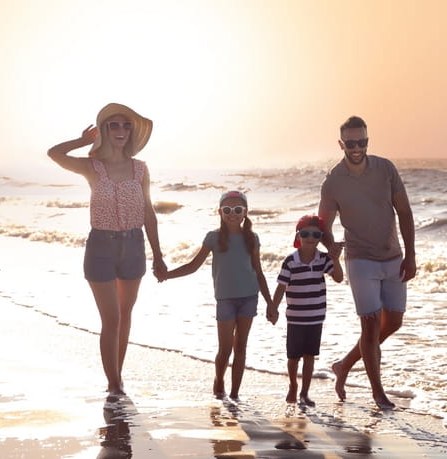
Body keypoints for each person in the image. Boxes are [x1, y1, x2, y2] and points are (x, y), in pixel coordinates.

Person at [47, 103, 166, 396]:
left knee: (125, 315)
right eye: (114, 125)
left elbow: (148, 212)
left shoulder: (140, 169)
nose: (121, 131)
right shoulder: (91, 166)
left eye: (126, 126)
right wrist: (82, 141)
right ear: (104, 130)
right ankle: (114, 386)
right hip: (101, 246)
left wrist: (159, 256)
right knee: (111, 318)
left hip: (134, 245)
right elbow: (54, 154)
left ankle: (117, 377)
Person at [318, 115, 417, 409]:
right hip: (360, 259)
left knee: (393, 322)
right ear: (341, 144)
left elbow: (405, 213)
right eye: (350, 143)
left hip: (393, 256)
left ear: (367, 141)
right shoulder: (333, 182)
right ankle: (378, 393)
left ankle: (345, 364)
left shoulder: (385, 168)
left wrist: (410, 255)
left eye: (361, 141)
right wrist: (330, 244)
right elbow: (323, 223)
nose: (356, 147)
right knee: (371, 326)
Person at [157, 190, 273, 400]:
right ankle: (219, 380)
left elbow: (259, 272)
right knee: (225, 348)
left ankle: (236, 394)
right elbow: (193, 266)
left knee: (241, 347)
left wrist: (270, 303)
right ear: (220, 212)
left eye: (238, 209)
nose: (233, 214)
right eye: (227, 210)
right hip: (225, 299)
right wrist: (167, 275)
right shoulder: (213, 237)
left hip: (249, 297)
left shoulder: (252, 238)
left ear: (245, 212)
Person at [266, 215, 344, 406]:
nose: (310, 237)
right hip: (295, 318)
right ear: (298, 236)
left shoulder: (323, 259)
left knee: (310, 356)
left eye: (316, 234)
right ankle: (293, 385)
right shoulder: (290, 261)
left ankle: (304, 393)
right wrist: (273, 308)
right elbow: (281, 287)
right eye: (306, 233)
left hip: (316, 317)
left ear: (320, 238)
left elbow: (339, 278)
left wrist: (335, 259)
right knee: (293, 358)